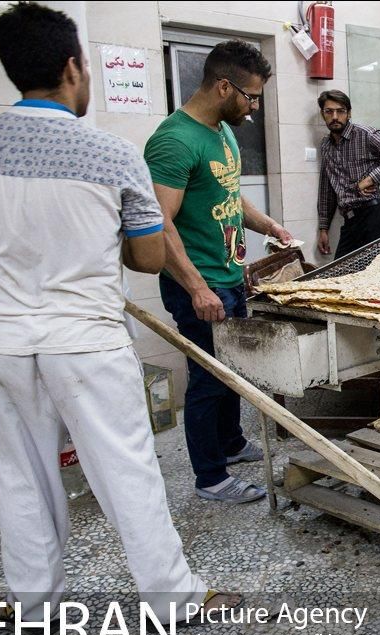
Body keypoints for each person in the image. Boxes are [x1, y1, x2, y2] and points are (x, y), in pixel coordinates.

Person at [0, 1, 218, 624]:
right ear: (73, 67)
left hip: (6, 341)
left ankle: (35, 604)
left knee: (22, 475)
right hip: (87, 340)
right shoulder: (110, 154)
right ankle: (172, 600)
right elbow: (148, 257)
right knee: (126, 470)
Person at [145, 41, 294, 503]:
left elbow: (229, 194)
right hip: (199, 282)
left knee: (234, 369)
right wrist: (195, 287)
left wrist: (267, 224)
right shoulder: (174, 140)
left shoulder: (224, 132)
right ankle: (211, 477)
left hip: (230, 276)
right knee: (209, 377)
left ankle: (230, 444)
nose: (252, 107)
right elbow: (159, 221)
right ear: (223, 86)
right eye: (249, 97)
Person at [316, 90, 380, 258]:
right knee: (341, 274)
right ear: (323, 114)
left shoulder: (365, 134)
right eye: (329, 111)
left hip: (373, 215)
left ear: (349, 113)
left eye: (340, 111)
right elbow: (326, 189)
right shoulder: (326, 146)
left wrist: (372, 178)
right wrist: (324, 229)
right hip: (350, 222)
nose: (335, 116)